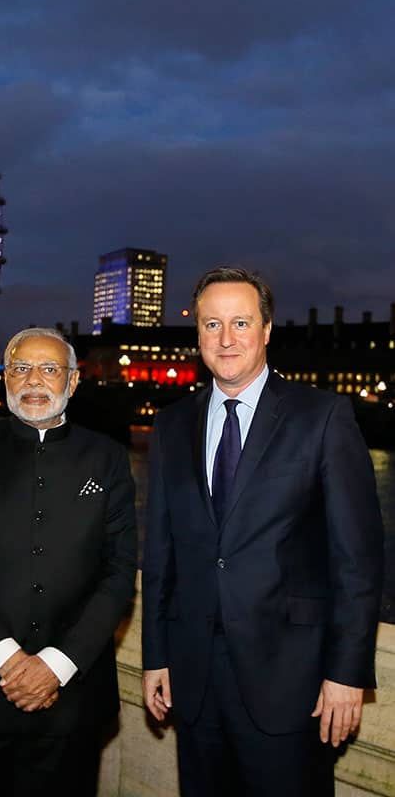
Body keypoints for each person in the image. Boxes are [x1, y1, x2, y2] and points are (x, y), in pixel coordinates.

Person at [142, 267, 384, 796]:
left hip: (291, 681)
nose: (226, 339)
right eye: (212, 324)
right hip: (194, 678)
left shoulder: (322, 417)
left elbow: (357, 560)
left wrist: (347, 674)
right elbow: (161, 554)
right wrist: (155, 655)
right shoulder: (170, 425)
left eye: (241, 322)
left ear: (267, 329)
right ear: (198, 334)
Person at [0, 327, 137, 796]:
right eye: (21, 368)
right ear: (6, 380)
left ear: (73, 382)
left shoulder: (107, 459)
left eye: (49, 369)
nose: (33, 380)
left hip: (72, 700)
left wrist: (56, 665)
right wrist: (8, 660)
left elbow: (119, 573)